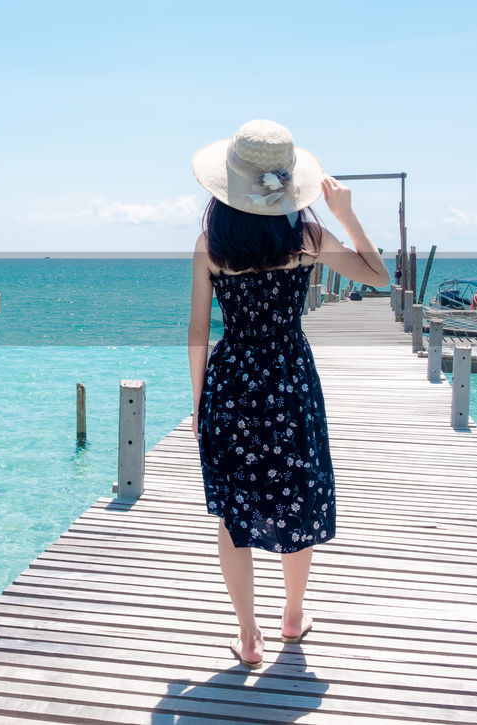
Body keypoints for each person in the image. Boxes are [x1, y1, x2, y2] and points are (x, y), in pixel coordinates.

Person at [187, 119, 389, 668]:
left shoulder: (211, 245)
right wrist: (345, 215)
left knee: (235, 514)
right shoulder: (307, 238)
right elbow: (379, 277)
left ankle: (248, 637)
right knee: (295, 494)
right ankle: (293, 617)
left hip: (231, 382)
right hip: (289, 378)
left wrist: (201, 403)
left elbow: (199, 334)